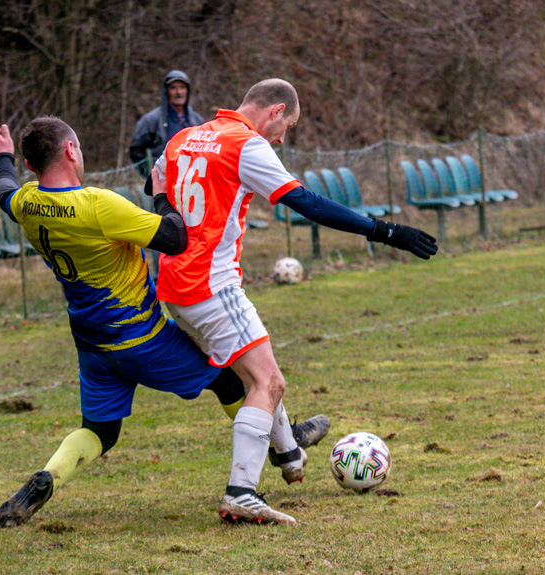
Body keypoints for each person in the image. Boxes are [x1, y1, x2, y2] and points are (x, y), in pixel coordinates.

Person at [0, 116, 329, 528]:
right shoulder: (98, 205)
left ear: (28, 165)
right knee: (234, 381)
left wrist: (1, 156)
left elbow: (2, 188)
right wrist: (163, 193)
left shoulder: (24, 202)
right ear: (71, 151)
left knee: (100, 430)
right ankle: (277, 450)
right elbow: (174, 237)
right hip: (140, 339)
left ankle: (48, 477)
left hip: (91, 343)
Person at [153, 78, 438, 525]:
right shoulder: (245, 144)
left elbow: (158, 185)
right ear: (275, 110)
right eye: (287, 126)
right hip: (209, 286)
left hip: (173, 283)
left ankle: (289, 453)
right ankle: (241, 492)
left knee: (255, 366)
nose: (283, 138)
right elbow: (306, 202)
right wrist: (384, 231)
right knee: (268, 383)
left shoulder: (185, 136)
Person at [128, 70, 204, 177]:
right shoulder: (151, 120)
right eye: (173, 88)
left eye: (182, 87)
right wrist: (150, 175)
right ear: (166, 91)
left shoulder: (197, 121)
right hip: (162, 182)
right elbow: (136, 149)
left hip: (190, 181)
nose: (179, 92)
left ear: (187, 90)